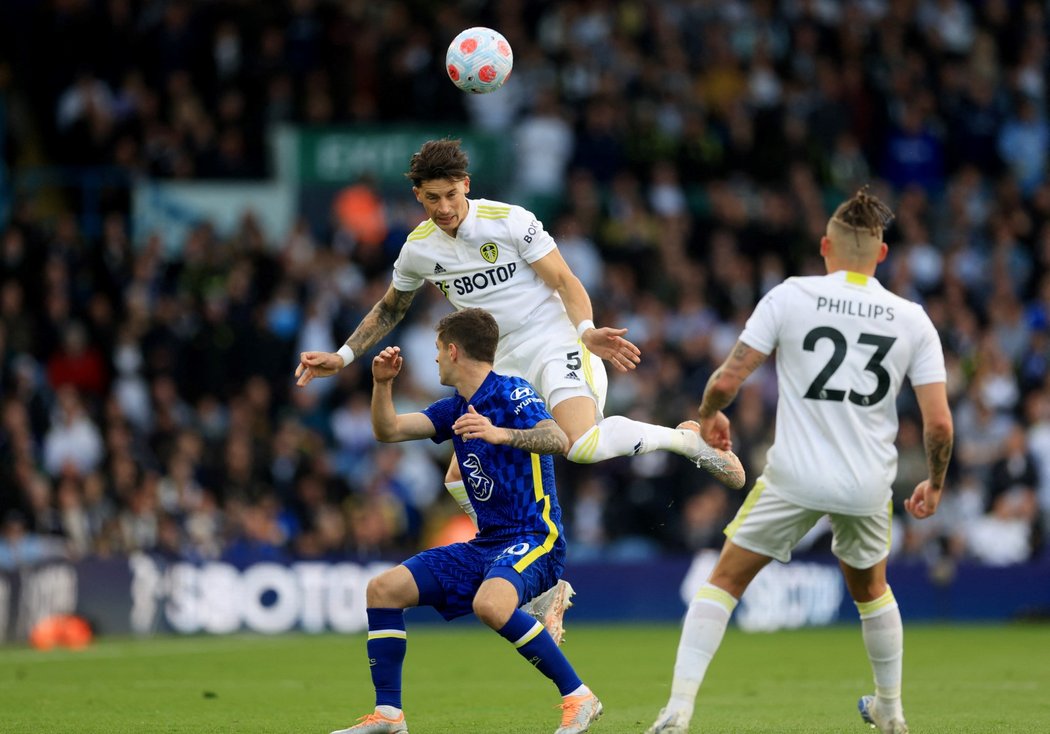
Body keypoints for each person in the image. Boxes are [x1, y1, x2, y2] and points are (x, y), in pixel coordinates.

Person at [297, 138, 744, 639]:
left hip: (555, 340)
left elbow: (565, 280)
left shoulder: (509, 220)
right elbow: (390, 308)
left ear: (466, 186)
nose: (443, 208)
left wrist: (587, 331)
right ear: (418, 198)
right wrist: (342, 356)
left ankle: (687, 440)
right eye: (431, 198)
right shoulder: (419, 248)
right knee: (456, 479)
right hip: (498, 364)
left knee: (582, 445)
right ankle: (539, 586)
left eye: (450, 194)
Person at [646, 189, 954, 734]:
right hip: (867, 484)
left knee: (724, 580)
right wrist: (934, 480)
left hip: (794, 476)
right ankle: (893, 712)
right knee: (872, 591)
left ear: (824, 247)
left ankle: (679, 708)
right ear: (882, 255)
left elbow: (725, 379)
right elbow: (938, 425)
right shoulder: (913, 319)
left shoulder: (791, 296)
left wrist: (713, 414)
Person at [329, 308, 602, 734]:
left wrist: (500, 433)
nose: (435, 359)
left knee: (490, 605)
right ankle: (389, 716)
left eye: (438, 350)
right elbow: (389, 431)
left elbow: (557, 438)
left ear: (454, 351)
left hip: (536, 535)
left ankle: (579, 696)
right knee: (383, 590)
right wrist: (382, 385)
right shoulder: (454, 408)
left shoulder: (512, 393)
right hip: (488, 543)